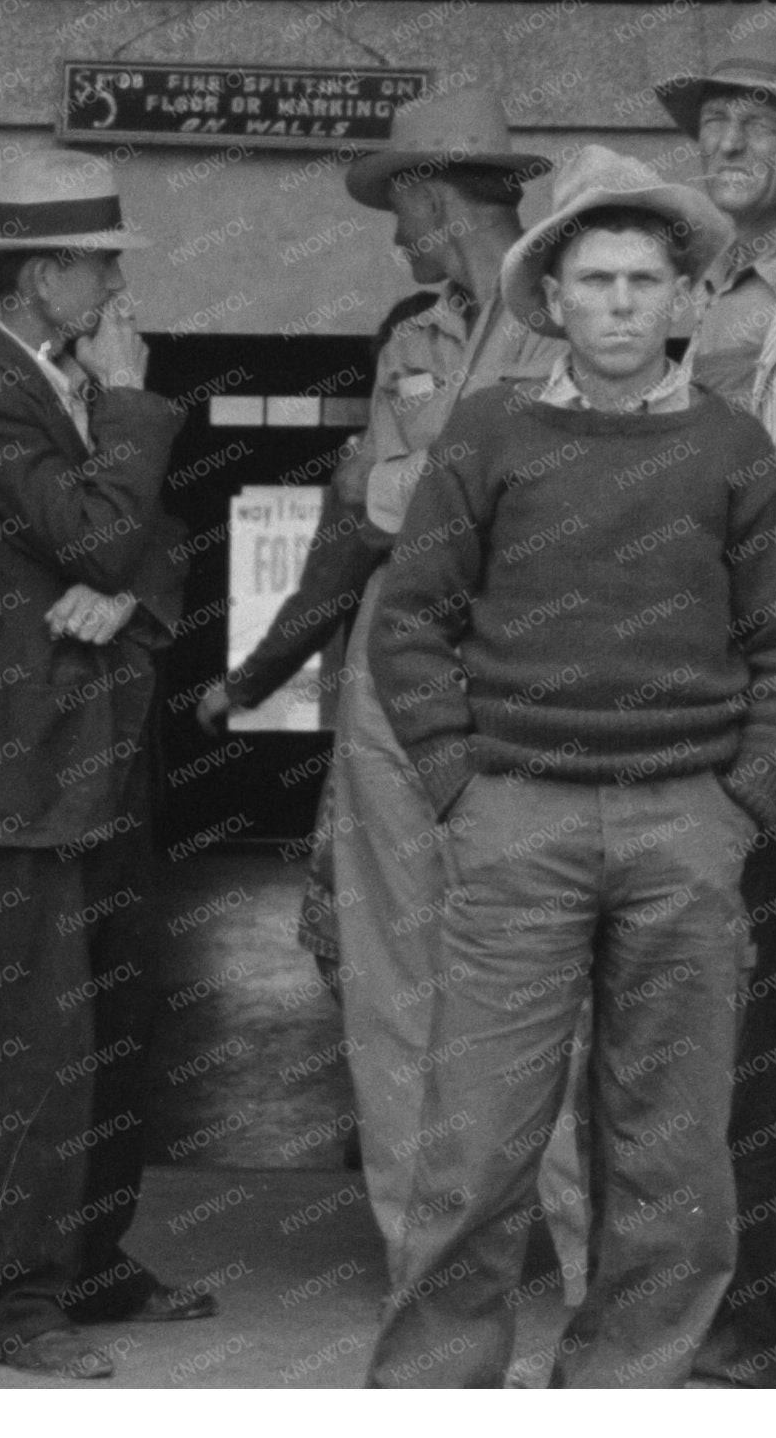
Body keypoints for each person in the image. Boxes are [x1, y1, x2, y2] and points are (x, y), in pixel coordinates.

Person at [362, 145, 776, 1389]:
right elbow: (410, 622)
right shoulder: (487, 433)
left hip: (685, 828)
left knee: (669, 1149)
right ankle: (430, 1393)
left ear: (680, 301)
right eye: (594, 280)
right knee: (476, 1139)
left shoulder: (731, 450)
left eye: (641, 281)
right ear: (550, 300)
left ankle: (624, 1388)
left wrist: (738, 807)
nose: (619, 302)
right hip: (518, 820)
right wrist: (460, 781)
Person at [194, 84, 589, 1285]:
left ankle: (582, 1265)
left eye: (398, 207)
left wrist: (400, 480)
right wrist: (264, 667)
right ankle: (429, 1251)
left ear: (432, 197)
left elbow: (500, 502)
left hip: (521, 671)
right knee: (388, 965)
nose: (392, 236)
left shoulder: (573, 317)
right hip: (389, 667)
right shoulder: (410, 332)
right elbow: (363, 517)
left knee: (548, 962)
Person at [0, 148, 216, 1381]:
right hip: (28, 773)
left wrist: (122, 589)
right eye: (100, 264)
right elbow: (98, 529)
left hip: (95, 763)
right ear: (42, 274)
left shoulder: (49, 379)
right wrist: (134, 406)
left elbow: (155, 545)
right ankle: (11, 1308)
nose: (115, 287)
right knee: (33, 1050)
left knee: (112, 1029)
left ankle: (86, 1258)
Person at [656, 37, 776, 1385]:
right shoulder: (692, 286)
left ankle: (755, 1323)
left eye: (751, 123)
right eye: (708, 121)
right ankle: (691, 1303)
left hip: (775, 692)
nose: (720, 143)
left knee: (758, 1025)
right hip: (676, 687)